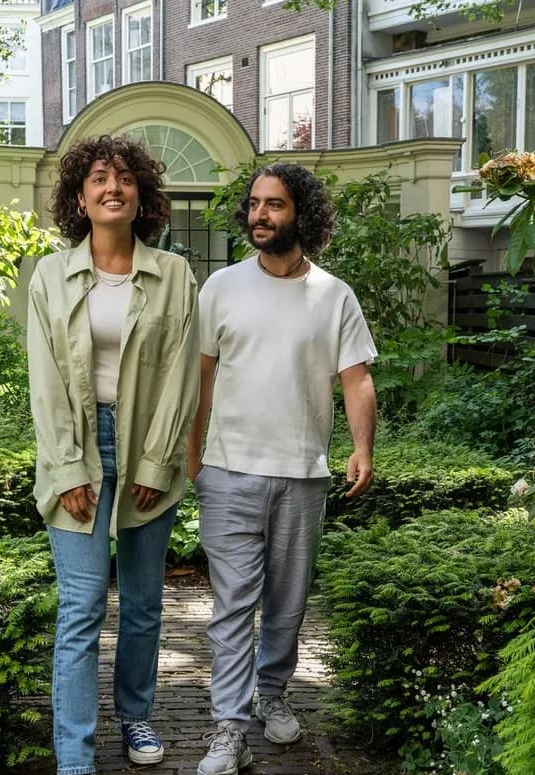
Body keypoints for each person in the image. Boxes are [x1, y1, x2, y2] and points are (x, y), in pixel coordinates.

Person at [187, 163, 377, 775]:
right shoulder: (219, 287)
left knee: (287, 605)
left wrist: (362, 446)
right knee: (233, 606)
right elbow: (201, 377)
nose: (260, 215)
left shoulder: (333, 295)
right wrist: (193, 454)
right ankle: (228, 729)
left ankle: (273, 694)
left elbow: (357, 378)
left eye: (274, 205)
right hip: (229, 471)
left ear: (303, 214)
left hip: (301, 472)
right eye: (254, 204)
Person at [27, 134, 200, 775]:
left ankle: (137, 718)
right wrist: (69, 465)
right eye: (99, 177)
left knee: (145, 600)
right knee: (81, 605)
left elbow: (183, 374)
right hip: (77, 446)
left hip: (146, 446)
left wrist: (156, 463)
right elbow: (43, 377)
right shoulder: (51, 275)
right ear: (81, 196)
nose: (112, 187)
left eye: (125, 178)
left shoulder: (175, 274)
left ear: (141, 196)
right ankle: (74, 755)